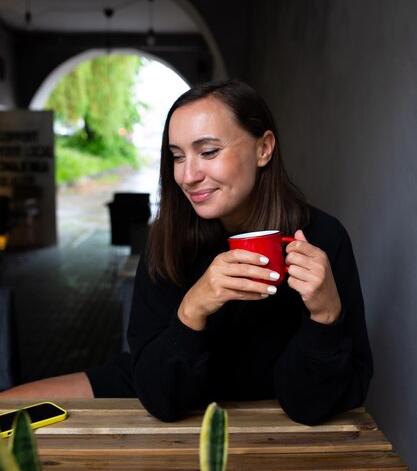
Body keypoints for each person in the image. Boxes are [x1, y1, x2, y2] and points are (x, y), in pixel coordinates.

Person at [1, 79, 373, 425]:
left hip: (265, 406)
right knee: (10, 406)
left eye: (208, 151)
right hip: (161, 381)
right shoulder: (167, 239)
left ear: (264, 148)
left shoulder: (320, 239)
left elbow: (312, 406)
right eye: (177, 156)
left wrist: (326, 315)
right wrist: (193, 308)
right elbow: (158, 395)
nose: (187, 175)